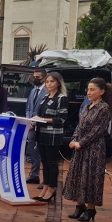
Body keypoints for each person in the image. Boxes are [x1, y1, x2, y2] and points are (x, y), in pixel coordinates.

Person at [63, 77, 112, 221]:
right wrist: (74, 139)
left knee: (91, 178)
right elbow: (80, 126)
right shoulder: (87, 106)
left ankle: (91, 209)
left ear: (102, 91)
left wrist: (81, 143)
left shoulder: (104, 108)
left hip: (94, 149)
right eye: (88, 89)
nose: (89, 92)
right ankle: (80, 206)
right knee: (79, 176)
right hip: (80, 147)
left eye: (92, 90)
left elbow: (97, 130)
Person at [31, 72, 68, 202]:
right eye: (47, 82)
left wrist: (43, 120)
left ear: (58, 82)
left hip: (53, 135)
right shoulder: (45, 97)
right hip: (41, 134)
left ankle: (52, 188)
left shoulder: (61, 98)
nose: (49, 84)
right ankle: (45, 185)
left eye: (52, 81)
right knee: (44, 162)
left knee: (52, 163)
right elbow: (39, 115)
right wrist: (34, 123)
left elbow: (62, 119)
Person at [25, 69, 48, 185]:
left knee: (43, 153)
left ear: (44, 78)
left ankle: (47, 180)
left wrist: (34, 123)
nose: (35, 79)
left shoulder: (48, 91)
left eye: (37, 77)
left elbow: (44, 111)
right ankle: (34, 175)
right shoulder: (33, 90)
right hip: (31, 126)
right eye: (34, 77)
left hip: (42, 127)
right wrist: (29, 121)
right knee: (31, 151)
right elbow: (28, 107)